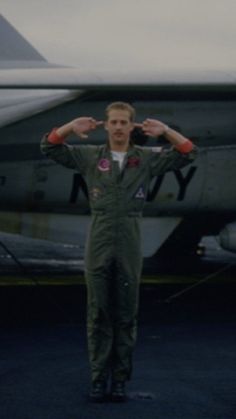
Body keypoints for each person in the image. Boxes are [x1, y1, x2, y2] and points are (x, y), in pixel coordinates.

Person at [40, 101, 198, 403]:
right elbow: (49, 147)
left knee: (126, 315)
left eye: (124, 122)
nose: (118, 127)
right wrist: (71, 127)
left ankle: (121, 380)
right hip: (99, 238)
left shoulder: (147, 160)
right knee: (97, 313)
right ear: (106, 124)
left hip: (129, 239)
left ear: (132, 126)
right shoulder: (90, 157)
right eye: (113, 122)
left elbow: (189, 152)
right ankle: (98, 379)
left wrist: (165, 132)